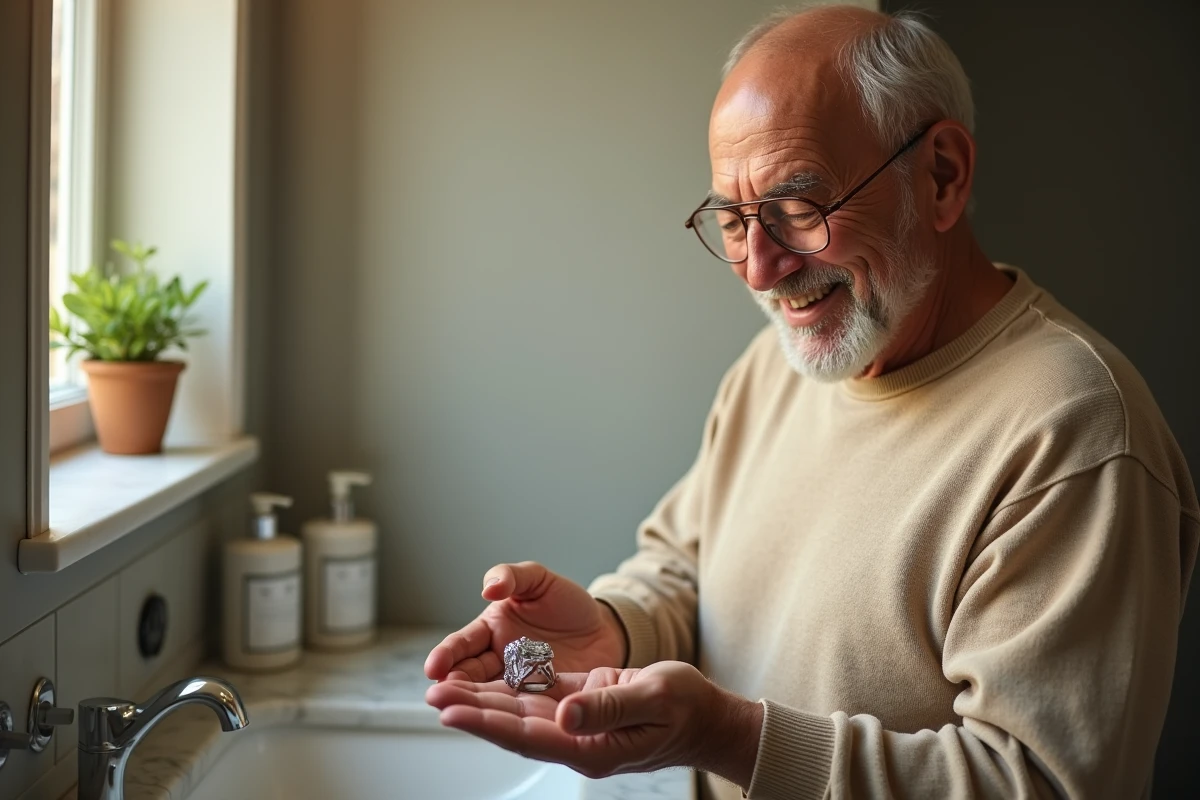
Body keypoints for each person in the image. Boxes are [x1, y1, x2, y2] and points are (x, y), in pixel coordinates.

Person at [424, 5, 1199, 798]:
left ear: (942, 175)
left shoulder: (1078, 432)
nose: (761, 269)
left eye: (799, 209)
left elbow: (1032, 783)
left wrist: (730, 736)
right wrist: (614, 629)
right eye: (732, 219)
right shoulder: (780, 364)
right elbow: (688, 566)